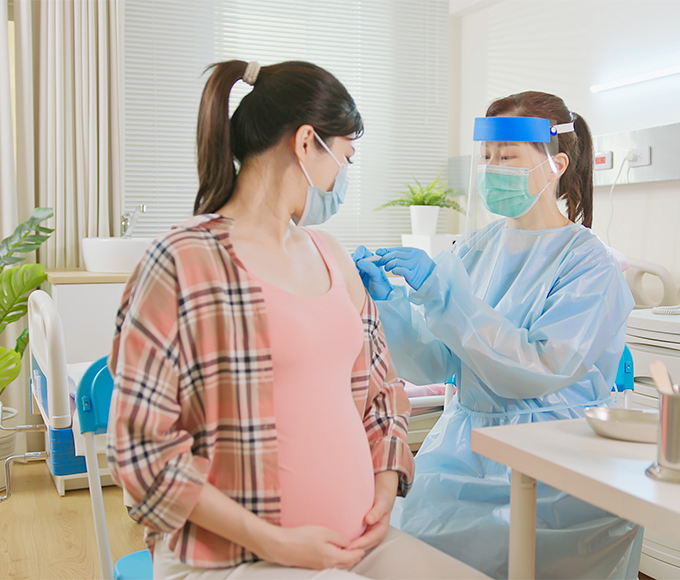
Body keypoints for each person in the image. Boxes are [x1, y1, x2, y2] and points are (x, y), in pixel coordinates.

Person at [108, 59, 486, 580]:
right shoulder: (183, 262)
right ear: (307, 143)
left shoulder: (330, 254)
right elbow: (142, 451)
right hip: (236, 557)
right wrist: (279, 543)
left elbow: (383, 394)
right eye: (344, 157)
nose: (342, 177)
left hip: (361, 541)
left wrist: (383, 491)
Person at [352, 91, 644, 579]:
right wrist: (391, 305)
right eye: (487, 157)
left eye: (507, 157)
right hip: (461, 452)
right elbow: (435, 361)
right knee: (395, 548)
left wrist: (444, 294)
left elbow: (536, 369)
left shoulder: (588, 263)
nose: (493, 169)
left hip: (552, 461)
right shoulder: (474, 248)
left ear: (556, 164)